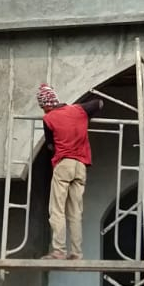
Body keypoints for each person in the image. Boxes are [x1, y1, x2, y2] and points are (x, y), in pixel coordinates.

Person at [37, 83, 103, 259]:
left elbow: (50, 144)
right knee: (75, 211)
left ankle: (59, 250)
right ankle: (76, 252)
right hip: (81, 166)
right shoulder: (79, 110)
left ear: (47, 104)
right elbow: (99, 103)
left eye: (42, 106)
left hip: (64, 165)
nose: (43, 110)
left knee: (57, 209)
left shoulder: (49, 119)